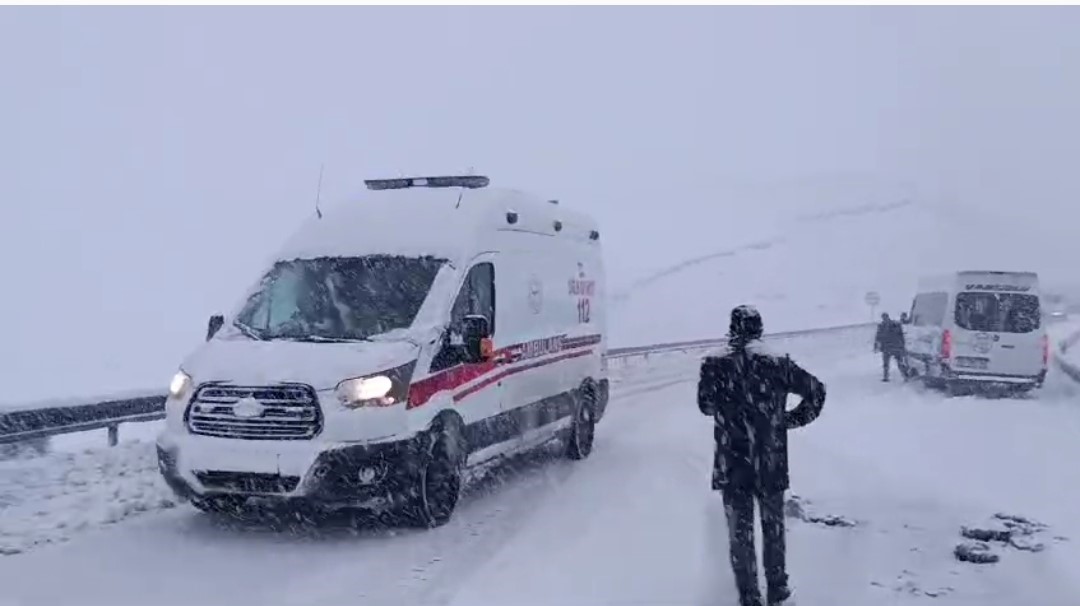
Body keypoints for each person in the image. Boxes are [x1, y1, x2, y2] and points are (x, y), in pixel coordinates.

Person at [697, 305, 827, 606]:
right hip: (770, 460)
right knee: (773, 531)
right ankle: (778, 593)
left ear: (732, 330)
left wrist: (731, 409)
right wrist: (788, 420)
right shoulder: (778, 363)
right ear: (759, 329)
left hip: (732, 463)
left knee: (739, 536)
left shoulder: (715, 364)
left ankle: (749, 597)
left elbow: (704, 405)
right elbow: (817, 392)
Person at [874, 312, 909, 382]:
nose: (884, 319)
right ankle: (888, 377)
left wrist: (902, 345)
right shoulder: (884, 325)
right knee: (890, 363)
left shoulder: (892, 325)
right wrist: (876, 346)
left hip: (893, 347)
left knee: (897, 363)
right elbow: (878, 337)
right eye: (884, 318)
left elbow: (901, 335)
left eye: (885, 317)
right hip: (890, 347)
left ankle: (904, 376)